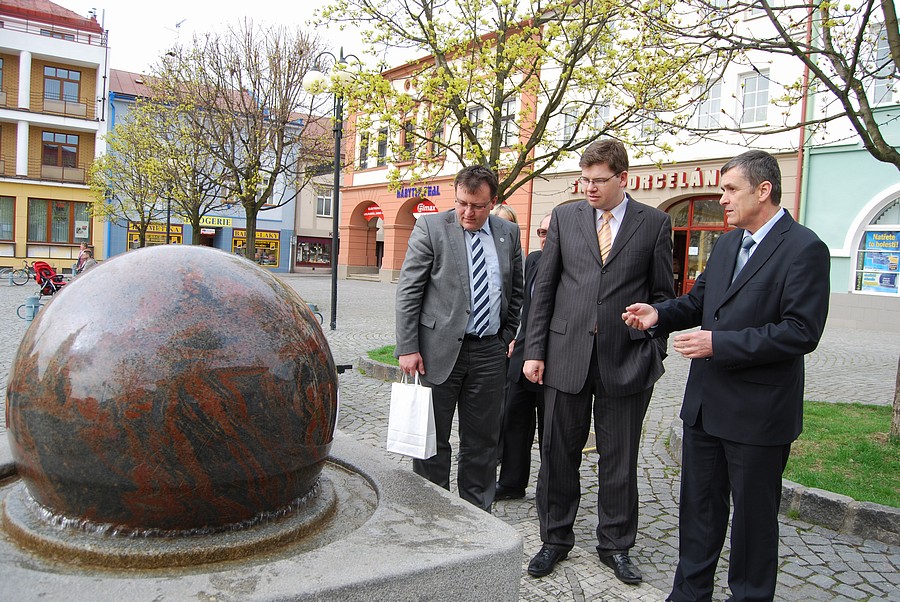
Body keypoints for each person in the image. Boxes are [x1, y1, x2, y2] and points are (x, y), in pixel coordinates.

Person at [622, 150, 830, 602]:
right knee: (697, 513)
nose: (722, 199)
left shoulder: (804, 248)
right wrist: (658, 313)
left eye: (731, 189)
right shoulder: (729, 244)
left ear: (764, 190)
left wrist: (720, 344)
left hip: (759, 414)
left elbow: (801, 332)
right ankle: (688, 595)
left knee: (753, 524)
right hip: (705, 408)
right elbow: (699, 303)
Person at [523, 139, 674, 582]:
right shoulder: (565, 218)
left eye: (599, 180)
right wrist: (535, 350)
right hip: (564, 356)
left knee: (620, 459)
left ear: (623, 178)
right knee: (557, 452)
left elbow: (663, 296)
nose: (589, 188)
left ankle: (616, 545)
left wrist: (653, 348)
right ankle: (554, 539)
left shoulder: (654, 223)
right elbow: (545, 290)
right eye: (584, 179)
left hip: (626, 359)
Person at [395, 164, 524, 512]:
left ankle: (477, 514)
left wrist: (506, 336)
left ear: (492, 202)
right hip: (436, 352)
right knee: (432, 439)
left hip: (489, 352)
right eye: (462, 203)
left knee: (482, 441)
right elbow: (409, 291)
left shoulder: (508, 233)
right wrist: (408, 347)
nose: (468, 212)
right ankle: (432, 510)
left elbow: (515, 291)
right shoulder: (431, 227)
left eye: (478, 206)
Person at [495, 212, 551, 501]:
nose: (545, 238)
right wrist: (517, 336)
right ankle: (511, 483)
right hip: (522, 356)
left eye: (551, 232)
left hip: (555, 361)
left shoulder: (576, 264)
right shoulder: (534, 260)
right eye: (541, 232)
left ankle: (550, 490)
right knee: (514, 422)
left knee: (550, 433)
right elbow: (526, 307)